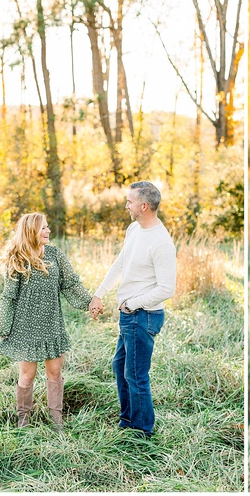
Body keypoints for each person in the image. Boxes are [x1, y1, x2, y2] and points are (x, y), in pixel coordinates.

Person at [88, 181, 176, 437]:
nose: (127, 205)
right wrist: (99, 293)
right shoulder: (134, 230)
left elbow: (167, 289)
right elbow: (120, 263)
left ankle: (142, 431)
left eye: (130, 201)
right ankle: (127, 420)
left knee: (136, 375)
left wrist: (132, 303)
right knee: (121, 367)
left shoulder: (161, 243)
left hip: (143, 315)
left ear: (144, 206)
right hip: (129, 316)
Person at [0, 212, 93, 430]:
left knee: (55, 373)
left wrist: (90, 302)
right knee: (27, 376)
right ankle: (23, 420)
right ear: (31, 231)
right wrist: (3, 325)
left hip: (52, 324)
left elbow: (70, 284)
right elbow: (9, 296)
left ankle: (56, 420)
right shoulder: (17, 259)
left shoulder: (55, 255)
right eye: (43, 228)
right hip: (25, 327)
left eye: (47, 227)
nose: (48, 231)